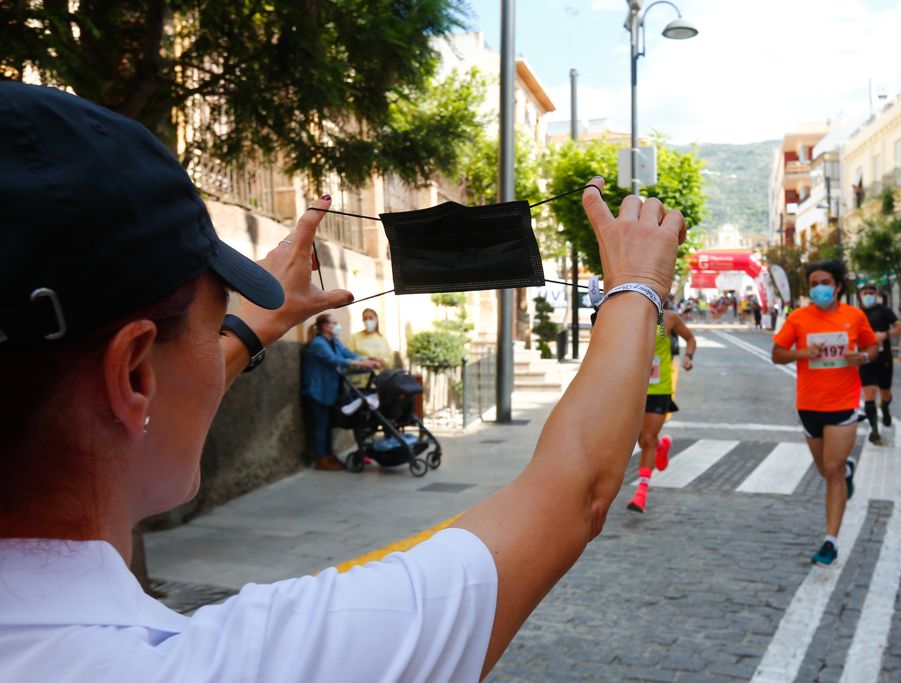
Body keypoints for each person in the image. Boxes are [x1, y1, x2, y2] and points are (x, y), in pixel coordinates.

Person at [0, 83, 688, 682]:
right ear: (134, 373)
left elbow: (134, 420)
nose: (220, 347)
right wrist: (636, 284)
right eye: (211, 329)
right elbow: (576, 491)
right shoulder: (239, 663)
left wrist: (247, 332)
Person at [772, 260, 878, 566]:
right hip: (809, 405)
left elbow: (872, 348)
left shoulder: (854, 316)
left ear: (838, 286)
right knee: (826, 470)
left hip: (843, 403)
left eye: (825, 283)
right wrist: (801, 352)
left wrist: (862, 357)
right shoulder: (799, 317)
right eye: (814, 284)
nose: (819, 289)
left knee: (831, 469)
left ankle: (830, 541)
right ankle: (847, 471)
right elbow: (777, 354)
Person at [626, 310, 697, 513]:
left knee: (648, 439)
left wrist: (688, 357)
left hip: (659, 388)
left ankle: (641, 493)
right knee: (642, 440)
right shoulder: (630, 314)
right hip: (633, 388)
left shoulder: (669, 318)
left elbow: (690, 339)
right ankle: (662, 447)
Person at [302, 313, 380, 470]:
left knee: (327, 426)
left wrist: (365, 360)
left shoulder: (334, 341)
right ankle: (321, 459)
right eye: (334, 323)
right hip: (317, 391)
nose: (338, 326)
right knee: (320, 426)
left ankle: (329, 455)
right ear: (325, 326)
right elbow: (334, 360)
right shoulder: (318, 343)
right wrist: (360, 364)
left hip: (328, 391)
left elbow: (346, 353)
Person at [857, 284, 901, 445]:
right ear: (860, 295)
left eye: (872, 293)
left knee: (885, 392)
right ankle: (874, 430)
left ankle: (885, 406)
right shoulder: (857, 313)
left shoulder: (884, 311)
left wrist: (885, 334)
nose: (868, 295)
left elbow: (900, 328)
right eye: (865, 293)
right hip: (865, 358)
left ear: (876, 295)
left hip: (884, 359)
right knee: (869, 393)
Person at [348, 307, 393, 388]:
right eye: (365, 319)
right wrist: (365, 361)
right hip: (359, 385)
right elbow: (347, 358)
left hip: (380, 383)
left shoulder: (382, 339)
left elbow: (390, 359)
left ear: (376, 319)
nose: (368, 321)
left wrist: (382, 361)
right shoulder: (354, 338)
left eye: (370, 318)